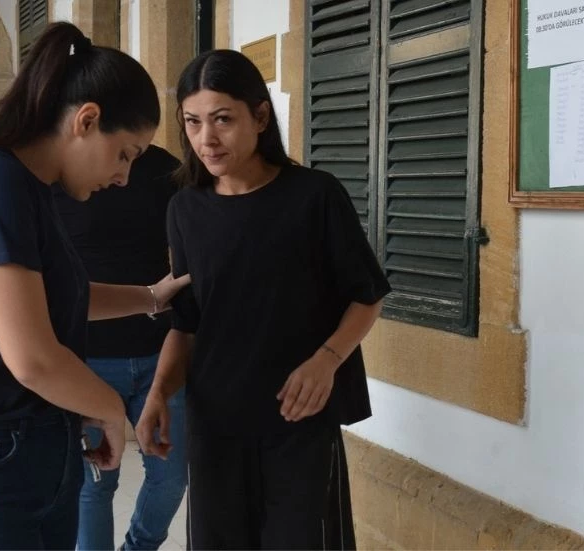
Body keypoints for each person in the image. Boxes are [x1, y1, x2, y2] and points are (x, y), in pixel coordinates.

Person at [0, 22, 189, 550]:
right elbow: (31, 357)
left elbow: (56, 298)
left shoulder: (34, 189)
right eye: (125, 153)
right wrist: (112, 410)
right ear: (87, 119)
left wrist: (151, 296)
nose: (124, 177)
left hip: (28, 445)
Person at [136, 49, 392, 550]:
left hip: (298, 419)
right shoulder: (185, 209)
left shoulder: (314, 195)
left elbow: (366, 296)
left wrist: (326, 361)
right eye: (192, 122)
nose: (206, 139)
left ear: (259, 115)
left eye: (222, 120)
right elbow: (186, 325)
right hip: (216, 423)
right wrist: (158, 394)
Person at [53, 144, 187, 551]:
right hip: (88, 357)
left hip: (159, 352)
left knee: (171, 476)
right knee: (95, 482)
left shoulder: (168, 171)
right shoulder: (66, 172)